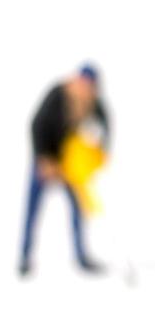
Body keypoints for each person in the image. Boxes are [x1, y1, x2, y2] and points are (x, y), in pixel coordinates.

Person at [19, 63, 109, 277]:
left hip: (69, 161)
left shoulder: (94, 103)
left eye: (91, 87)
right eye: (84, 84)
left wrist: (100, 148)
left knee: (78, 208)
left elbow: (105, 125)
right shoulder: (57, 94)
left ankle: (81, 257)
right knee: (33, 209)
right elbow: (36, 124)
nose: (86, 90)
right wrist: (43, 159)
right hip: (46, 157)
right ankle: (24, 258)